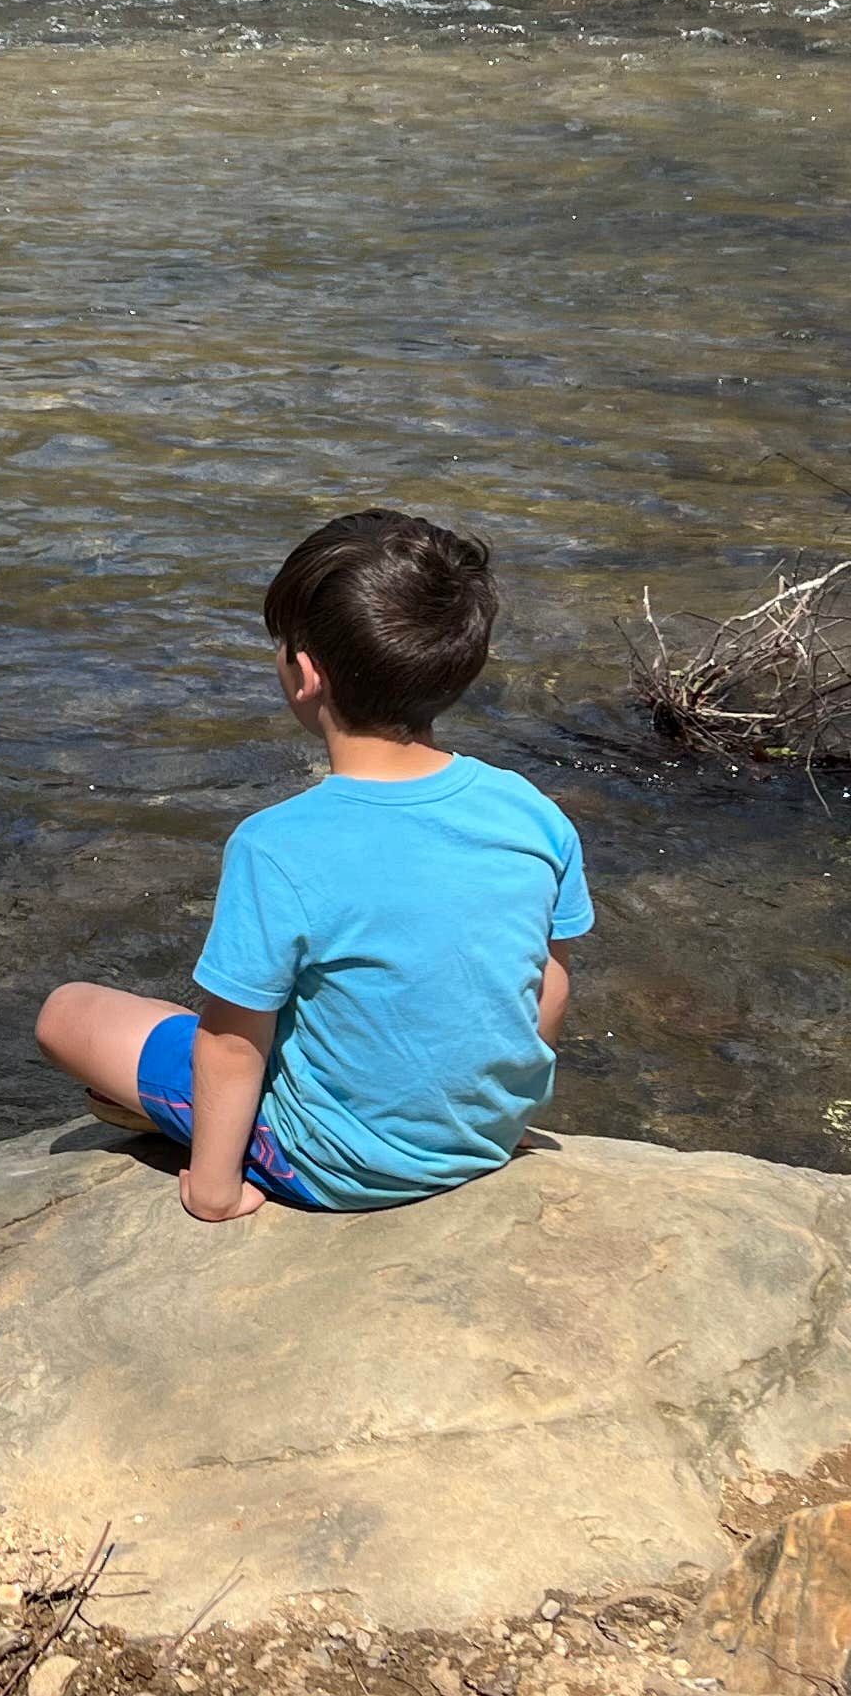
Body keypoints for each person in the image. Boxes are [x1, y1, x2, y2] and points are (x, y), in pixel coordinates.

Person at [34, 510, 587, 1221]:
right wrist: (499, 1121)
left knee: (68, 1012)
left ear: (303, 674)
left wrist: (214, 1189)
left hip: (330, 1164)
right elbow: (550, 981)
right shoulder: (531, 811)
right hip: (484, 1138)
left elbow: (235, 1042)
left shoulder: (278, 845)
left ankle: (184, 1119)